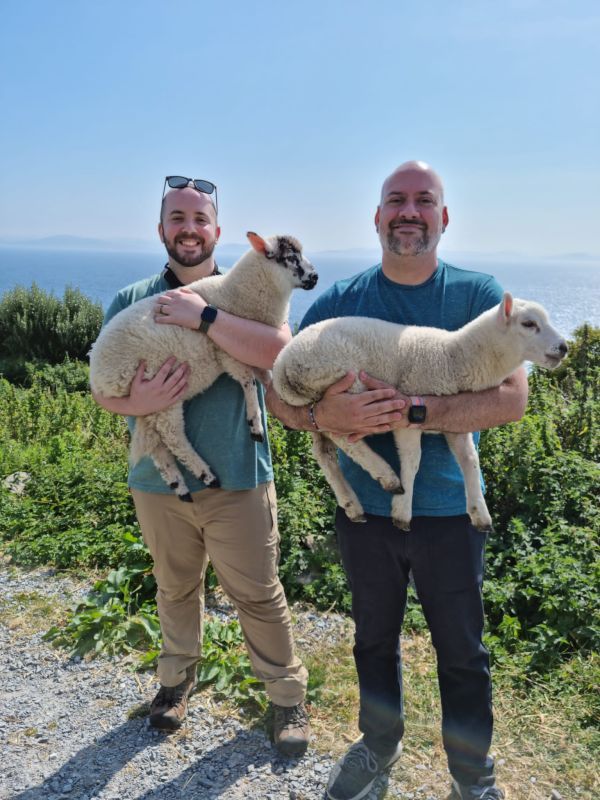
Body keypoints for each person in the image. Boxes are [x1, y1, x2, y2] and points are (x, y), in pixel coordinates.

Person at [266, 161, 528, 799]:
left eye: (423, 200)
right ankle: (378, 747)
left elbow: (512, 398)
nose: (409, 211)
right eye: (396, 200)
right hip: (368, 515)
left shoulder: (479, 296)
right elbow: (280, 393)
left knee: (462, 652)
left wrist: (414, 411)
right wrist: (320, 417)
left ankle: (472, 775)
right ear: (377, 217)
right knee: (373, 640)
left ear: (444, 217)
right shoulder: (341, 301)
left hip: (450, 511)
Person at [93, 176, 310, 757]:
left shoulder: (254, 290)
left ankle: (287, 698)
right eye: (178, 218)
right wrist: (136, 404)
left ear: (218, 231)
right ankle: (174, 685)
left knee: (258, 592)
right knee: (174, 587)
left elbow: (280, 354)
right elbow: (103, 387)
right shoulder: (132, 299)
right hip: (158, 483)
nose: (189, 229)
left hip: (240, 474)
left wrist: (204, 317)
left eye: (200, 219)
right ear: (161, 229)